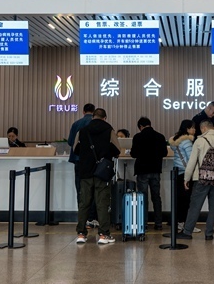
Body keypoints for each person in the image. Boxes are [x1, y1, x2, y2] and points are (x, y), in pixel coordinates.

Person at [73, 108, 120, 245]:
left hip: (85, 171)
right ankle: (103, 235)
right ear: (105, 118)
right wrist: (105, 153)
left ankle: (81, 234)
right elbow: (117, 149)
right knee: (102, 203)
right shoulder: (109, 130)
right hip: (102, 172)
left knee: (84, 203)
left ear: (93, 116)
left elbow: (75, 149)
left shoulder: (82, 130)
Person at [179, 119, 214, 240]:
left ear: (204, 128)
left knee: (195, 205)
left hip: (201, 179)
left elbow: (192, 161)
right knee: (213, 207)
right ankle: (209, 233)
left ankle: (187, 232)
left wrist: (186, 178)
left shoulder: (200, 141)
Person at [130, 116, 169, 230]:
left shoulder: (138, 137)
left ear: (140, 126)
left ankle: (144, 223)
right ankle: (158, 223)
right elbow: (164, 153)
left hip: (142, 170)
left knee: (142, 197)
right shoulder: (160, 136)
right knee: (156, 197)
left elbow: (133, 154)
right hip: (155, 170)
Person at [67, 104, 97, 228]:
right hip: (93, 161)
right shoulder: (96, 124)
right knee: (93, 189)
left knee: (80, 189)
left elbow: (70, 142)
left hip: (78, 160)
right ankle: (92, 218)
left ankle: (82, 219)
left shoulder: (76, 124)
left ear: (83, 111)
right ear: (94, 112)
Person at [169, 120, 200, 234]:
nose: (194, 130)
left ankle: (179, 222)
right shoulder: (187, 142)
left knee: (180, 200)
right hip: (186, 173)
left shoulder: (176, 141)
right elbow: (191, 158)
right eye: (192, 128)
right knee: (187, 201)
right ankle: (187, 225)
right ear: (187, 129)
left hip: (178, 172)